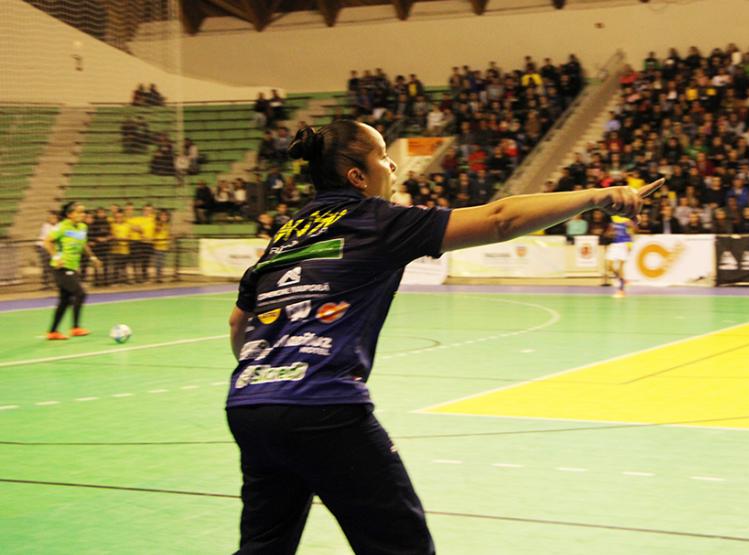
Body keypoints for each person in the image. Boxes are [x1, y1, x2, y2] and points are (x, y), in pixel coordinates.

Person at [225, 120, 656, 555]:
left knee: (264, 547)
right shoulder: (377, 220)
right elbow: (500, 219)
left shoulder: (285, 233)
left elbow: (237, 325)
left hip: (249, 406)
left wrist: (272, 375)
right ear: (357, 176)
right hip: (322, 406)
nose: (392, 165)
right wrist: (598, 196)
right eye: (382, 156)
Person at [44, 202, 101, 340]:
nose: (82, 214)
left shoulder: (82, 227)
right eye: (79, 212)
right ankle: (75, 328)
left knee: (64, 300)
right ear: (70, 214)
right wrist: (56, 257)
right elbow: (47, 241)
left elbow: (83, 245)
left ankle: (52, 332)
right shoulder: (62, 227)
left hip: (72, 267)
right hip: (61, 268)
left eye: (83, 212)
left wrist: (93, 257)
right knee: (80, 293)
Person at [602, 214, 635, 298]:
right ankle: (622, 280)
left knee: (620, 268)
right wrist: (610, 233)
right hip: (614, 244)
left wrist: (630, 245)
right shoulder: (613, 218)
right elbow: (608, 233)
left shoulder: (627, 219)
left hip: (624, 244)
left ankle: (621, 290)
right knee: (609, 267)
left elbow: (633, 231)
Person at [36, 211, 59, 289]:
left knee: (54, 266)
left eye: (54, 218)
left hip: (54, 248)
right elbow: (50, 237)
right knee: (46, 266)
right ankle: (46, 284)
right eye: (50, 218)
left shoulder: (59, 226)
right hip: (43, 247)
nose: (52, 219)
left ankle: (55, 283)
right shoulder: (45, 226)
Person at [152, 210, 171, 283]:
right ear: (159, 217)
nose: (164, 217)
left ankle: (159, 276)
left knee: (162, 263)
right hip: (157, 246)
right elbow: (156, 230)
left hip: (164, 246)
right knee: (158, 263)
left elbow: (167, 235)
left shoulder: (167, 225)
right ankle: (158, 277)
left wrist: (169, 242)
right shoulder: (158, 224)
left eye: (165, 216)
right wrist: (160, 225)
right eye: (162, 216)